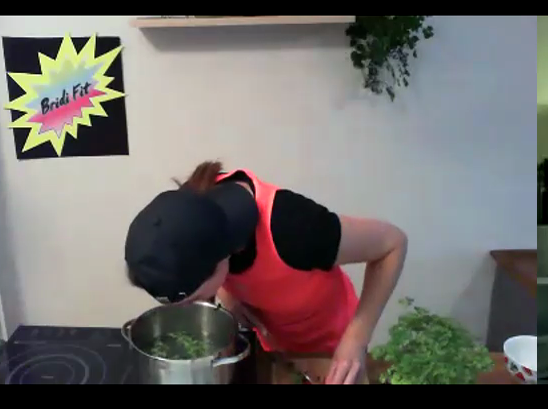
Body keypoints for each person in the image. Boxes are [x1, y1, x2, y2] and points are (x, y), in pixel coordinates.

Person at [125, 162, 408, 384]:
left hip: (332, 347)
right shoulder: (193, 215)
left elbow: (392, 244)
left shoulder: (295, 228)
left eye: (195, 298)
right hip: (276, 345)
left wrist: (356, 340)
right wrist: (231, 298)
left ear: (220, 258)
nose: (194, 306)